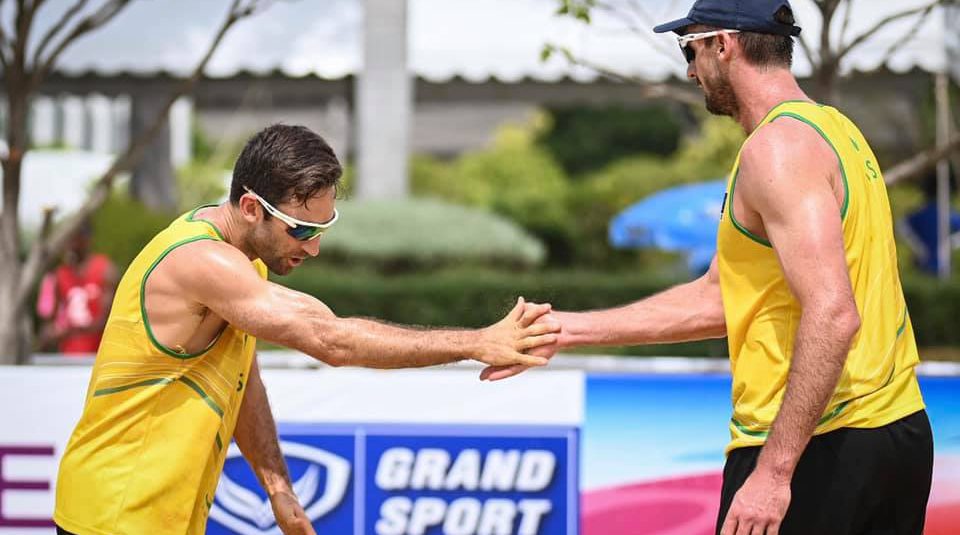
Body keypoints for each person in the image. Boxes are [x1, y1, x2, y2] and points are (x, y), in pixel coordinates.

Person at [483, 1, 933, 534]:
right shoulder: (835, 130)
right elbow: (722, 296)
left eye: (690, 50)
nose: (691, 71)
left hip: (819, 443)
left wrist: (773, 471)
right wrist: (568, 330)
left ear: (725, 45)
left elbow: (834, 313)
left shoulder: (776, 151)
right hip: (895, 430)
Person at [53, 124, 558, 535]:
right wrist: (475, 342)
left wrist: (278, 488)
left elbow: (241, 379)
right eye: (301, 230)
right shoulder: (200, 260)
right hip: (114, 515)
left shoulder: (242, 260)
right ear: (251, 207)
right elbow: (329, 339)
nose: (312, 247)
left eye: (321, 229)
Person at [36, 219, 118, 355]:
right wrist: (48, 335)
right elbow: (51, 322)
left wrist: (70, 331)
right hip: (68, 358)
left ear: (86, 238)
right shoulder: (60, 275)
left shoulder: (105, 270)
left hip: (99, 357)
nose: (69, 244)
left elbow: (110, 321)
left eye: (74, 237)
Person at [898, 167, 960, 275]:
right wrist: (950, 244)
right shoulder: (945, 213)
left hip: (928, 265)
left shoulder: (926, 212)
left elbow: (902, 225)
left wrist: (918, 246)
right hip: (932, 266)